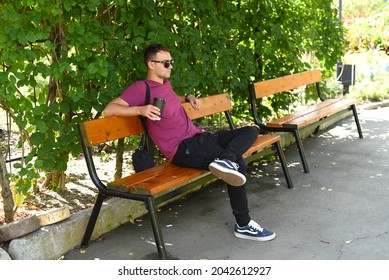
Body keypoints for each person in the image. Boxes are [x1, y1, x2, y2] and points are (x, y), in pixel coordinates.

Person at [103, 44, 276, 241]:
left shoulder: (164, 85)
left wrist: (186, 98)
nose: (170, 66)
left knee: (249, 131)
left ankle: (226, 160)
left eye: (171, 62)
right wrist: (140, 110)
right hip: (182, 149)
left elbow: (170, 100)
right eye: (166, 63)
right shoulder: (141, 88)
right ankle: (243, 224)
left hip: (199, 138)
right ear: (151, 64)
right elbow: (110, 109)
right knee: (238, 163)